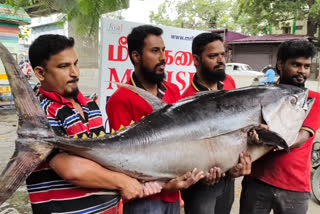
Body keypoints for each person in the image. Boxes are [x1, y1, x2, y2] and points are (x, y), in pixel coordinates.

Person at [27, 34, 162, 214]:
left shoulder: (90, 105)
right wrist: (123, 182)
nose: (74, 72)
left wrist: (144, 181)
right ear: (40, 73)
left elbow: (106, 156)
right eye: (63, 66)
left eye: (75, 63)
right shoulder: (37, 114)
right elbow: (71, 169)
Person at [106, 25, 204, 214]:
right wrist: (164, 185)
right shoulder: (121, 99)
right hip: (143, 200)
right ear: (136, 56)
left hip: (174, 196)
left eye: (163, 50)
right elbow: (124, 159)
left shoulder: (172, 90)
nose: (163, 58)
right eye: (155, 51)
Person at [240, 40, 320, 214]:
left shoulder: (313, 100)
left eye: (306, 66)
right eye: (296, 64)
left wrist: (267, 136)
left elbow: (299, 139)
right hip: (257, 181)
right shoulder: (261, 95)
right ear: (280, 64)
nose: (302, 71)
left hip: (295, 187)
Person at [181, 32, 252, 214]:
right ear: (196, 60)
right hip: (200, 186)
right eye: (213, 56)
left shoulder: (229, 83)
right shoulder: (185, 101)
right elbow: (184, 152)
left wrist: (236, 166)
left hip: (228, 180)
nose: (221, 60)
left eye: (223, 54)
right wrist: (201, 174)